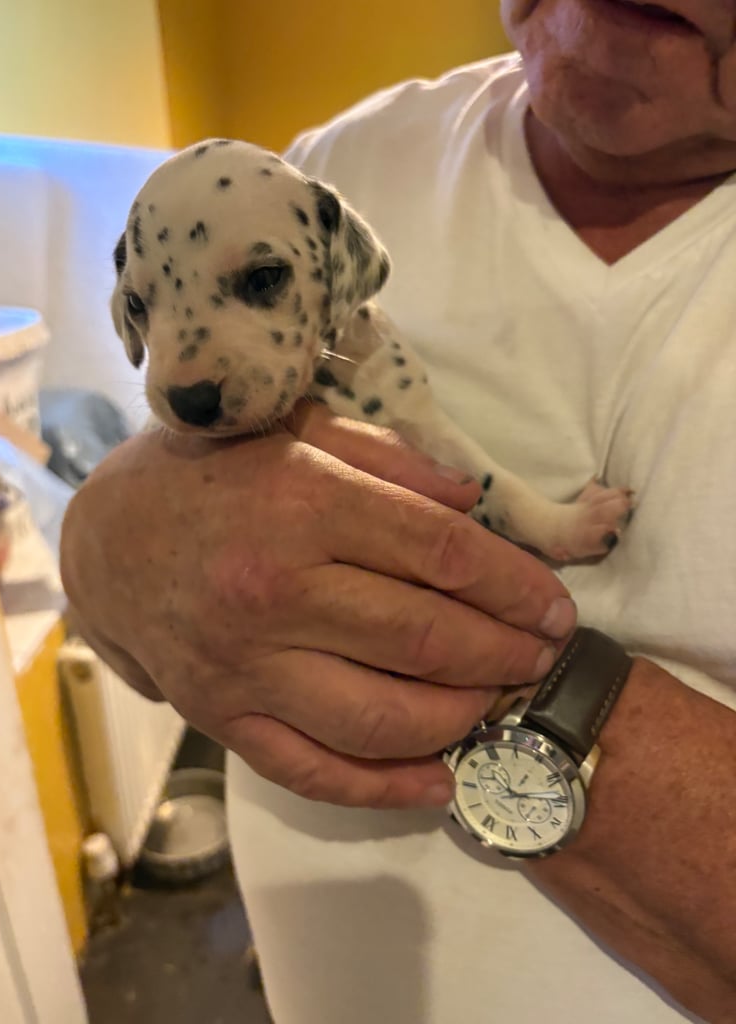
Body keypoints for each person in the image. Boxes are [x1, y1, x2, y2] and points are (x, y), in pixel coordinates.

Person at [60, 1, 736, 1021]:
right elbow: (167, 494)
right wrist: (102, 535)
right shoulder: (343, 156)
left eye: (263, 282)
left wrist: (498, 682)